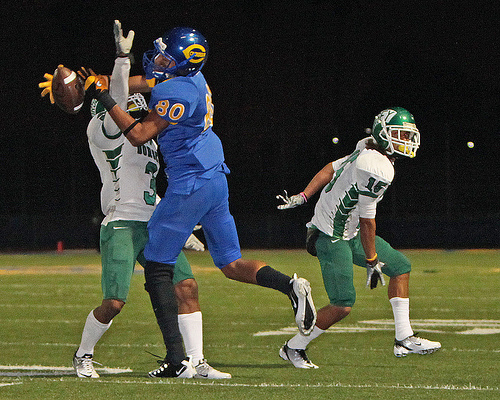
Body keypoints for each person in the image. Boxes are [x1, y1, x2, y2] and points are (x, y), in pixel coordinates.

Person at [79, 23, 317, 378]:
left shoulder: (174, 92)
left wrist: (107, 98)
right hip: (216, 178)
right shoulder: (194, 79)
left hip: (190, 182)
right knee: (231, 264)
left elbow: (139, 133)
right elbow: (147, 82)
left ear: (180, 62)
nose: (158, 60)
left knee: (157, 266)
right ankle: (291, 286)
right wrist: (110, 73)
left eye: (165, 57)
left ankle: (177, 360)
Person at [39, 20, 230, 379]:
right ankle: (83, 354)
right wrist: (121, 59)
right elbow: (118, 93)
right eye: (126, 103)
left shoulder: (140, 136)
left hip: (152, 221)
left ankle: (196, 361)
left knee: (186, 287)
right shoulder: (103, 127)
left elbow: (148, 187)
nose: (132, 107)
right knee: (114, 302)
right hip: (122, 223)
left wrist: (180, 224)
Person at [276, 107, 441, 368]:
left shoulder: (366, 146)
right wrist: (372, 259)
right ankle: (294, 347)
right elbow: (367, 221)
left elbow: (331, 168)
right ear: (384, 134)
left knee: (400, 267)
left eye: (408, 135)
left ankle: (404, 338)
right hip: (330, 235)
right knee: (342, 304)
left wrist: (305, 195)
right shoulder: (377, 167)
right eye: (400, 135)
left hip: (348, 232)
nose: (407, 141)